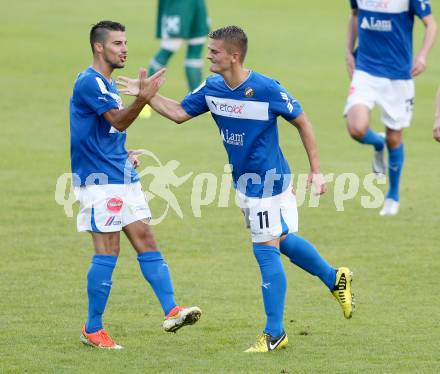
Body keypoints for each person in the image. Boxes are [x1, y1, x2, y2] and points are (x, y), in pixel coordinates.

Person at [118, 26, 355, 353]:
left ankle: (275, 334)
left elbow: (302, 120)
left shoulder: (265, 89)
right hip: (245, 182)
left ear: (234, 56)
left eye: (214, 51)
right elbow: (178, 113)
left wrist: (316, 170)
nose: (208, 55)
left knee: (265, 249)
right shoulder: (212, 88)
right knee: (281, 240)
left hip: (269, 182)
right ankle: (334, 278)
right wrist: (147, 96)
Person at [69, 20, 201, 350]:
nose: (124, 48)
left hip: (120, 174)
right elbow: (116, 119)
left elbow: (104, 130)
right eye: (117, 43)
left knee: (145, 237)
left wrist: (123, 151)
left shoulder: (108, 84)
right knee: (108, 250)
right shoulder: (89, 82)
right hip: (99, 182)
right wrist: (143, 99)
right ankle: (93, 329)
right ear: (99, 47)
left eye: (125, 42)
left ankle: (172, 310)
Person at [344, 0, 437, 216]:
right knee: (356, 128)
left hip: (398, 75)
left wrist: (422, 56)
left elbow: (431, 24)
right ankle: (378, 144)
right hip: (365, 70)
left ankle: (393, 195)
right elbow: (355, 15)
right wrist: (349, 51)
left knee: (395, 137)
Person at [148, 0, 210, 91]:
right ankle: (145, 97)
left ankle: (195, 101)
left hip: (196, 3)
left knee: (196, 47)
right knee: (168, 48)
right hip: (177, 3)